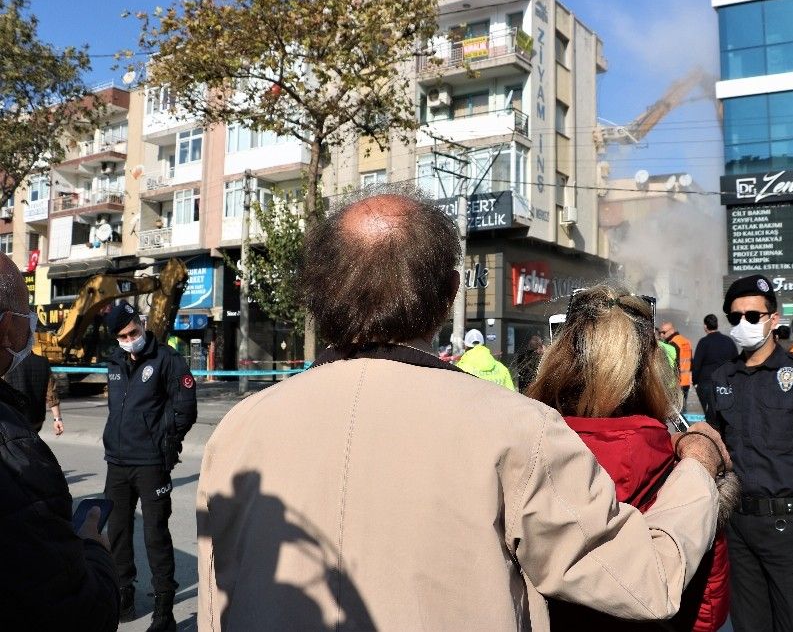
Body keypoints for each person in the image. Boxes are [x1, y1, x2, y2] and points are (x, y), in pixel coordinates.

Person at [197, 186, 726, 631]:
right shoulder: (517, 428)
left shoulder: (240, 427)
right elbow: (643, 581)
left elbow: (215, 602)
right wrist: (699, 467)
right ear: (451, 293)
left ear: (316, 295)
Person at [527, 284, 738, 632]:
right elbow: (708, 611)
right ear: (652, 370)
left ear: (557, 359)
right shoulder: (687, 473)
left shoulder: (520, 453)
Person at [707, 274, 793, 632]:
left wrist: (785, 474)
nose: (744, 323)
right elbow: (716, 444)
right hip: (736, 525)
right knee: (747, 625)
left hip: (786, 524)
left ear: (773, 319)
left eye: (753, 316)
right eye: (736, 317)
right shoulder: (722, 378)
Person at [0, 252, 119, 630]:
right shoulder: (20, 463)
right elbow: (79, 613)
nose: (32, 328)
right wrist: (93, 549)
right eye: (28, 317)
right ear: (7, 327)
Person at [103, 303, 198, 630]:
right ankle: (124, 594)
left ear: (141, 324)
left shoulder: (167, 360)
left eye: (134, 331)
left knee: (155, 534)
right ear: (116, 339)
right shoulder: (114, 362)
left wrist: (166, 442)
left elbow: (186, 408)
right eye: (123, 336)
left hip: (151, 463)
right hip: (117, 462)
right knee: (117, 531)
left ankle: (163, 609)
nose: (131, 339)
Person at [3, 348, 62, 433]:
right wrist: (57, 419)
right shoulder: (43, 362)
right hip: (36, 421)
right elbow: (51, 393)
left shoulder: (6, 363)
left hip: (12, 422)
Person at [692, 314, 738, 412]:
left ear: (705, 326)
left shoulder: (704, 342)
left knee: (708, 413)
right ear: (717, 325)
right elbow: (736, 362)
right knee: (724, 411)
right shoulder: (728, 341)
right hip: (725, 383)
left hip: (706, 383)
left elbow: (696, 365)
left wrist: (694, 381)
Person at [660, 322, 693, 402]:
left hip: (676, 383)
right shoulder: (686, 341)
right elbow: (691, 362)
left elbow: (673, 364)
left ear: (671, 331)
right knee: (683, 406)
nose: (661, 335)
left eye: (664, 332)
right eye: (660, 332)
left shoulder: (672, 344)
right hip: (686, 381)